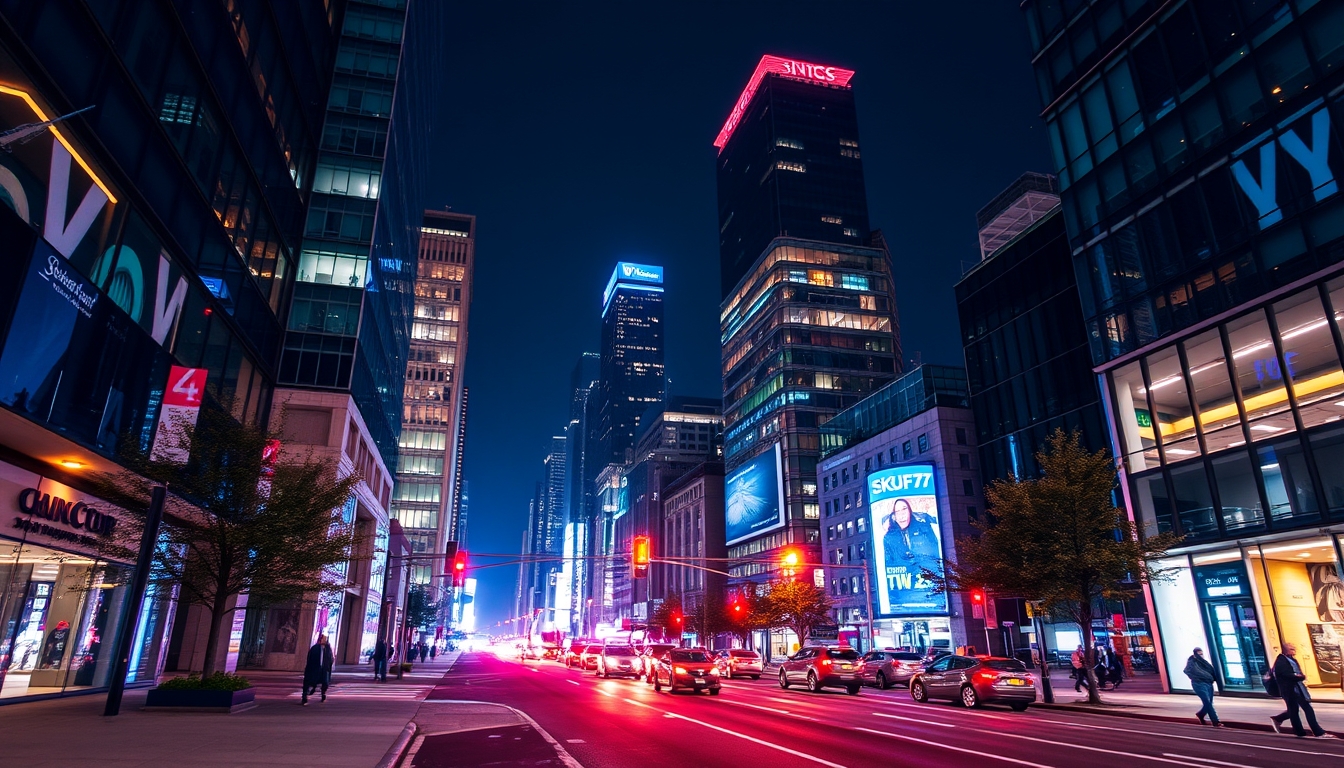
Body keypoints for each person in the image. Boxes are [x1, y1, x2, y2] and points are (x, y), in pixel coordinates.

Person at [1270, 643, 1337, 738]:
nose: (1294, 650)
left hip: (1296, 688)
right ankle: (1318, 732)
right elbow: (1285, 675)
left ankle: (1297, 730)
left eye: (1294, 648)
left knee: (1294, 710)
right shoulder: (1281, 660)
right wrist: (1299, 677)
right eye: (1292, 649)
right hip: (1290, 690)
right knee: (1306, 709)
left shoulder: (1291, 659)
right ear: (1285, 650)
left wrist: (1299, 676)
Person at [1183, 647, 1223, 727]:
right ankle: (1215, 721)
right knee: (1207, 703)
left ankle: (1200, 714)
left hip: (1208, 684)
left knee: (1209, 703)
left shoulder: (1205, 663)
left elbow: (1211, 671)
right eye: (1199, 654)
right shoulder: (1192, 662)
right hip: (1199, 684)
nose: (1201, 656)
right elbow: (1186, 671)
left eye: (1202, 654)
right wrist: (1196, 677)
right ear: (1195, 654)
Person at [302, 634, 334, 705]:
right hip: (315, 668)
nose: (325, 640)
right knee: (310, 681)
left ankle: (323, 694)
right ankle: (305, 696)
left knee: (325, 682)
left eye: (326, 639)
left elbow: (331, 659)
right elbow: (310, 659)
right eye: (324, 639)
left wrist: (328, 667)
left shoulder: (328, 649)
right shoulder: (315, 648)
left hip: (324, 669)